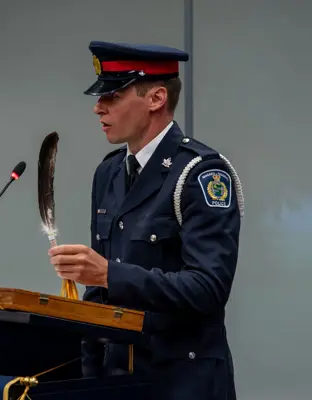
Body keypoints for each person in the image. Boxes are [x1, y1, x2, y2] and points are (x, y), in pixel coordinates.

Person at [48, 40, 244, 399]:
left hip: (182, 381)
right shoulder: (108, 173)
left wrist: (110, 273)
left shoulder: (202, 174)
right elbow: (99, 293)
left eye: (113, 97)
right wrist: (88, 375)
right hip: (118, 379)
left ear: (156, 99)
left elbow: (209, 288)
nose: (97, 108)